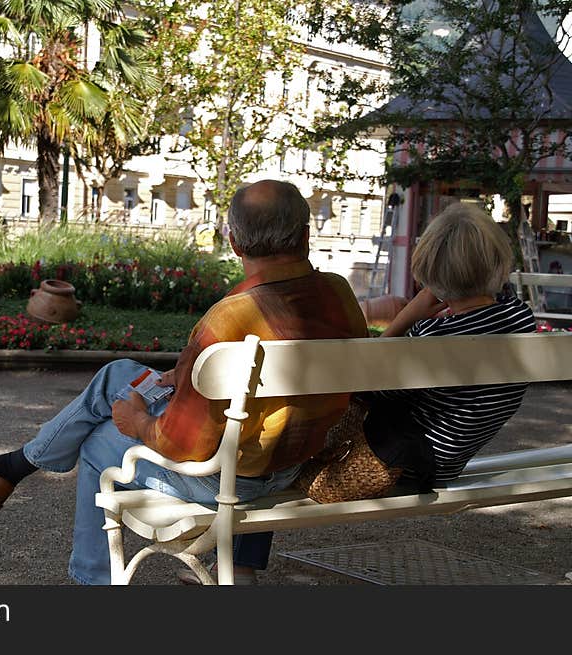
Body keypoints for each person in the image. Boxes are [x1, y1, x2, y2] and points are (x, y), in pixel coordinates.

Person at [0, 180, 369, 585]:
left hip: (229, 481)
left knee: (97, 441)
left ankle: (90, 575)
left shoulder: (231, 319)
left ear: (235, 243)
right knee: (121, 373)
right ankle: (7, 470)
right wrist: (187, 375)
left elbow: (188, 446)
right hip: (292, 464)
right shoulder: (339, 295)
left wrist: (137, 423)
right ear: (305, 235)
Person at [207, 201, 537, 584]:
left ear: (428, 271)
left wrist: (404, 318)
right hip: (454, 455)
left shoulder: (431, 338)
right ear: (497, 260)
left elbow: (362, 390)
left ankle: (237, 568)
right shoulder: (518, 317)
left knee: (271, 445)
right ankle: (239, 565)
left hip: (409, 462)